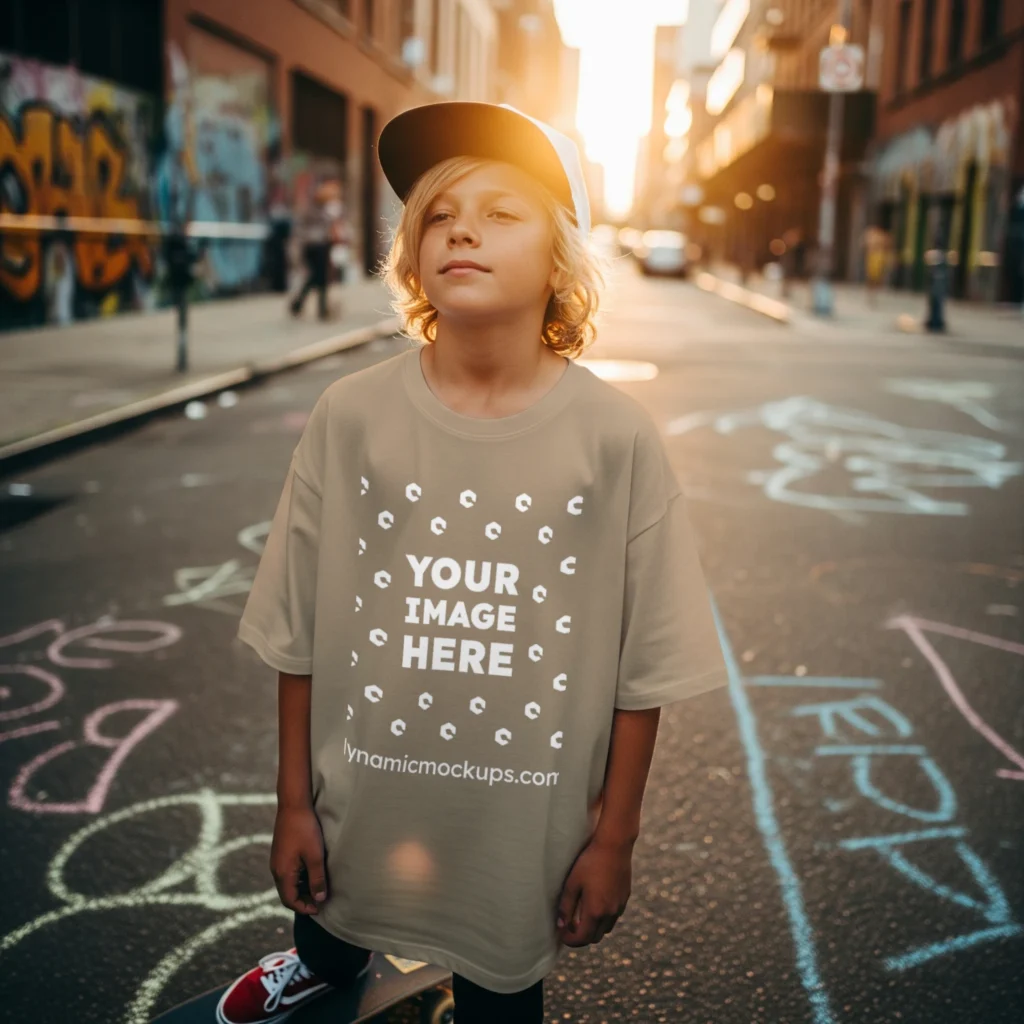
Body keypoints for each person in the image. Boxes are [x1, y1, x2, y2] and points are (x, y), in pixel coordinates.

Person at [219, 101, 728, 1024]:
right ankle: (321, 964)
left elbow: (644, 666)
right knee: (329, 922)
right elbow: (298, 629)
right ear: (413, 253)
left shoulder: (614, 438)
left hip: (519, 831)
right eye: (441, 215)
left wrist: (614, 838)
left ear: (561, 259)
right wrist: (293, 802)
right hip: (360, 796)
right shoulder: (350, 415)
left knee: (501, 995)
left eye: (501, 213)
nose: (462, 230)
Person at [289, 178, 344, 320]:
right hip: (313, 247)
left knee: (319, 278)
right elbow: (300, 229)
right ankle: (312, 307)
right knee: (317, 277)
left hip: (323, 246)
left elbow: (331, 226)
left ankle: (310, 306)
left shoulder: (327, 209)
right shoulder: (309, 210)